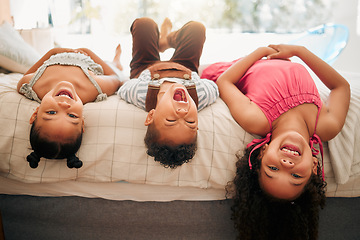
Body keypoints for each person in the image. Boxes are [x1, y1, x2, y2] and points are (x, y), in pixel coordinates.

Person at [201, 44, 350, 239]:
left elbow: (225, 81)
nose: (286, 164)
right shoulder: (326, 125)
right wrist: (299, 51)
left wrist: (260, 52)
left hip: (237, 65)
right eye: (296, 176)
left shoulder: (256, 119)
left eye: (273, 169)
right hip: (279, 57)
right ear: (314, 166)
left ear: (262, 153)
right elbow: (341, 87)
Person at [118, 17, 219, 168]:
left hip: (146, 67)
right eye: (190, 122)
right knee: (196, 28)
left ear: (151, 115)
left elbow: (124, 88)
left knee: (144, 24)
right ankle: (168, 40)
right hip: (184, 66)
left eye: (171, 120)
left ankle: (160, 42)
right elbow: (214, 87)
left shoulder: (141, 94)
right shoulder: (201, 95)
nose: (182, 113)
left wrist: (136, 78)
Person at [17, 46, 124, 169]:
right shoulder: (93, 88)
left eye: (51, 112)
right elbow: (115, 78)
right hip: (87, 58)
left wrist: (53, 52)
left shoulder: (30, 85)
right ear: (82, 122)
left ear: (35, 113)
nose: (64, 105)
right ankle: (116, 62)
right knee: (111, 66)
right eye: (72, 116)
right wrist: (88, 52)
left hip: (56, 54)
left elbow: (26, 75)